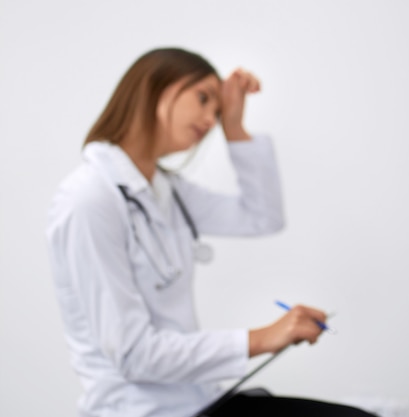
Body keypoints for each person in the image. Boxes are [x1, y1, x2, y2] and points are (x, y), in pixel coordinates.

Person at [46, 48, 376, 417]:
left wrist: (234, 127)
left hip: (201, 400)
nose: (210, 119)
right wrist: (263, 338)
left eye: (217, 111)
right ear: (155, 89)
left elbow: (261, 217)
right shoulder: (90, 198)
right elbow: (133, 354)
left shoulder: (163, 190)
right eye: (203, 98)